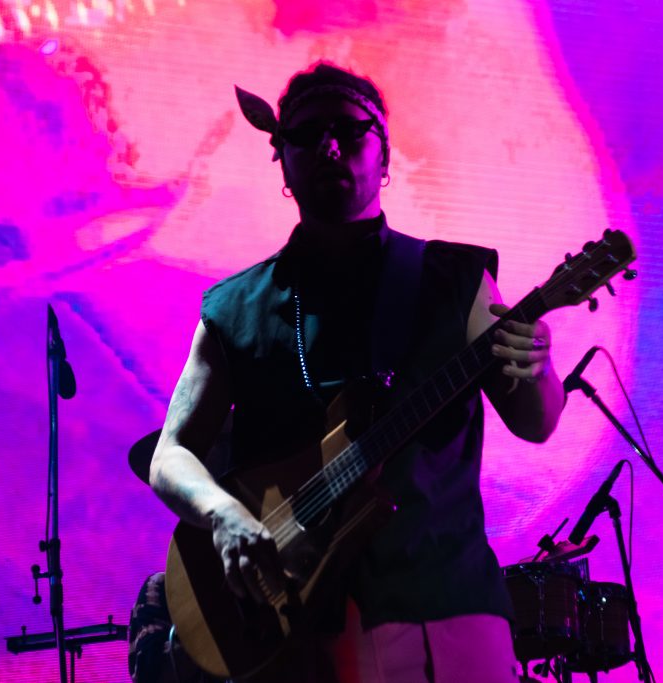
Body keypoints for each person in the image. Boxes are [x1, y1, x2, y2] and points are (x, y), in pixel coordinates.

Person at [148, 62, 565, 683]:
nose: (329, 146)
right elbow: (170, 454)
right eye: (307, 133)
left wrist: (536, 367)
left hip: (443, 605)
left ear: (384, 155)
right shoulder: (232, 309)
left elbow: (537, 422)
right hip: (298, 636)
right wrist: (222, 514)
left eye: (348, 129)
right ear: (281, 161)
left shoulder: (454, 279)